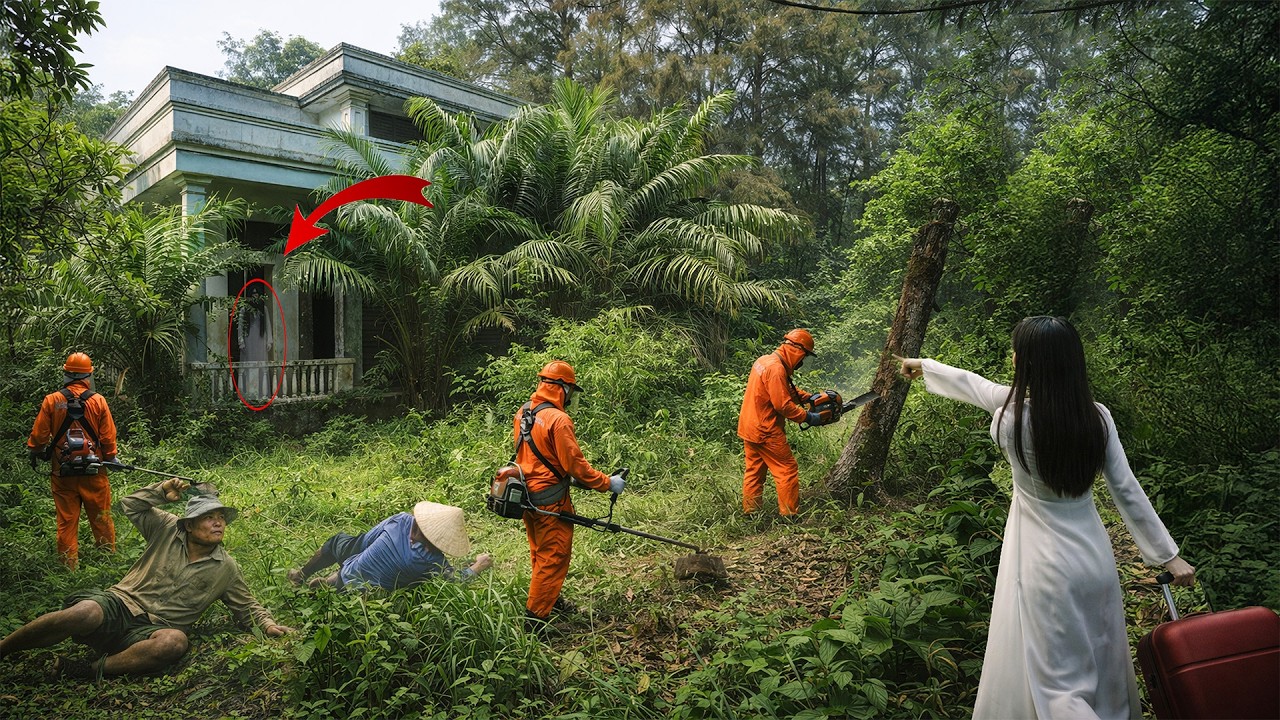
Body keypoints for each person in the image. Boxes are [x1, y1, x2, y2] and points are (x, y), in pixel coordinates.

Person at [896, 315, 1195, 720]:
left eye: (1018, 351)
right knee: (1104, 670)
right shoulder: (1098, 418)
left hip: (1044, 564)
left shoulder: (1010, 421)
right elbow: (1127, 490)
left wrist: (927, 365)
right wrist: (1166, 555)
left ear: (1026, 364)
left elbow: (994, 396)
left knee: (1059, 687)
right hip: (1094, 560)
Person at [0, 478, 292, 680]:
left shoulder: (226, 567)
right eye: (209, 517)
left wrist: (267, 625)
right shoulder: (166, 528)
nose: (218, 522)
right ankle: (4, 648)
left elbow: (247, 606)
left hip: (150, 631)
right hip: (119, 604)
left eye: (221, 518)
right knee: (84, 612)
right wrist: (162, 491)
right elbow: (130, 504)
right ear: (189, 525)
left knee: (174, 642)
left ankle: (85, 670)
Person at [515, 360, 625, 626]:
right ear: (563, 388)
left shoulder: (525, 411)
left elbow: (534, 456)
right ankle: (534, 623)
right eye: (571, 391)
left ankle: (549, 600)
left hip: (526, 497)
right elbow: (576, 466)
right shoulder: (558, 419)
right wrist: (607, 483)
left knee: (540, 554)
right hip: (550, 502)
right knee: (553, 558)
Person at [26, 352, 120, 568]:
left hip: (63, 473)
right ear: (88, 375)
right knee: (101, 518)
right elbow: (108, 437)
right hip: (94, 471)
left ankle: (69, 567)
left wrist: (37, 450)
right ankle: (108, 563)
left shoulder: (53, 400)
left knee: (67, 521)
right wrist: (112, 457)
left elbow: (39, 436)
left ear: (66, 374)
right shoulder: (98, 401)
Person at [287, 501, 493, 590]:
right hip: (372, 587)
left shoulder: (400, 521)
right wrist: (479, 564)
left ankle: (302, 576)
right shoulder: (432, 561)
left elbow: (367, 541)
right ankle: (333, 582)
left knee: (340, 543)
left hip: (354, 567)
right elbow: (457, 579)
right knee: (412, 578)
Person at [737, 328, 822, 517]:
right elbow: (782, 405)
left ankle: (751, 512)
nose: (801, 363)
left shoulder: (765, 361)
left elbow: (783, 390)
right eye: (804, 357)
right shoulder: (776, 369)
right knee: (787, 469)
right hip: (765, 430)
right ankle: (790, 515)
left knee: (754, 471)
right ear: (797, 351)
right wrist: (808, 417)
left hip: (749, 427)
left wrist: (810, 398)